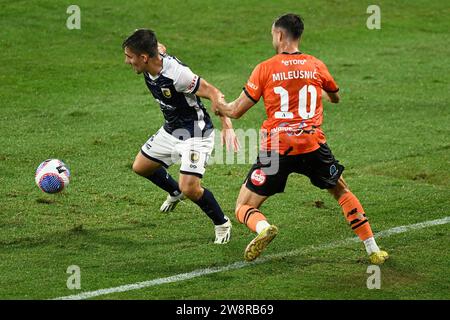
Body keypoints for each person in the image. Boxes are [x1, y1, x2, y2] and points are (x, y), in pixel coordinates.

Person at [214, 14, 389, 264]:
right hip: (312, 146)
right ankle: (373, 250)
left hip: (277, 149)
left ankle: (263, 228)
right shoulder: (315, 65)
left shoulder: (265, 68)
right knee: (342, 191)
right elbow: (335, 96)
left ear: (281, 35)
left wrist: (221, 107)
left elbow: (237, 111)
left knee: (243, 207)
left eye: (273, 33)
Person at [122, 29, 239, 244]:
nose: (127, 61)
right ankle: (175, 191)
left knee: (191, 188)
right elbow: (160, 47)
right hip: (171, 129)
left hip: (196, 133)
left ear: (144, 57)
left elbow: (213, 92)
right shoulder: (153, 56)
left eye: (130, 56)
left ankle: (222, 222)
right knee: (141, 167)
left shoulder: (178, 75)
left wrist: (227, 123)